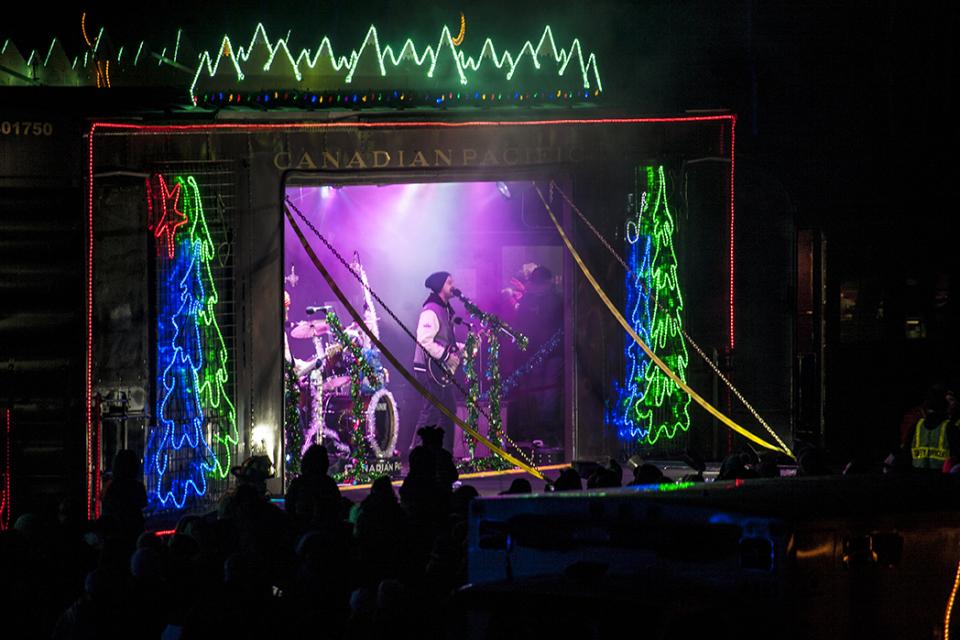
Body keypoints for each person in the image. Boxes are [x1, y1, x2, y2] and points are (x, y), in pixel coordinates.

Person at [411, 271, 461, 452]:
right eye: (449, 282)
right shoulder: (431, 310)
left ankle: (444, 457)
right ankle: (417, 455)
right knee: (430, 412)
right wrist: (447, 356)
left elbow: (443, 340)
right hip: (428, 369)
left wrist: (462, 347)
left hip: (440, 370)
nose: (453, 285)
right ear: (440, 287)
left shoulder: (445, 310)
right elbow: (424, 340)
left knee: (448, 412)